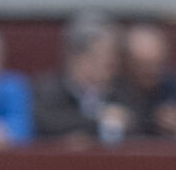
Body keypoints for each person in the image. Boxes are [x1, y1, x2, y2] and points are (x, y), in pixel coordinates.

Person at [31, 12, 121, 145]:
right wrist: (98, 120)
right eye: (104, 56)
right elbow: (46, 122)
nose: (112, 62)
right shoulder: (47, 89)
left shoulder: (120, 89)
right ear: (79, 58)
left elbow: (138, 124)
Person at [115, 22, 176, 140]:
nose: (150, 71)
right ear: (125, 62)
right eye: (142, 65)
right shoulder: (110, 88)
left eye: (157, 64)